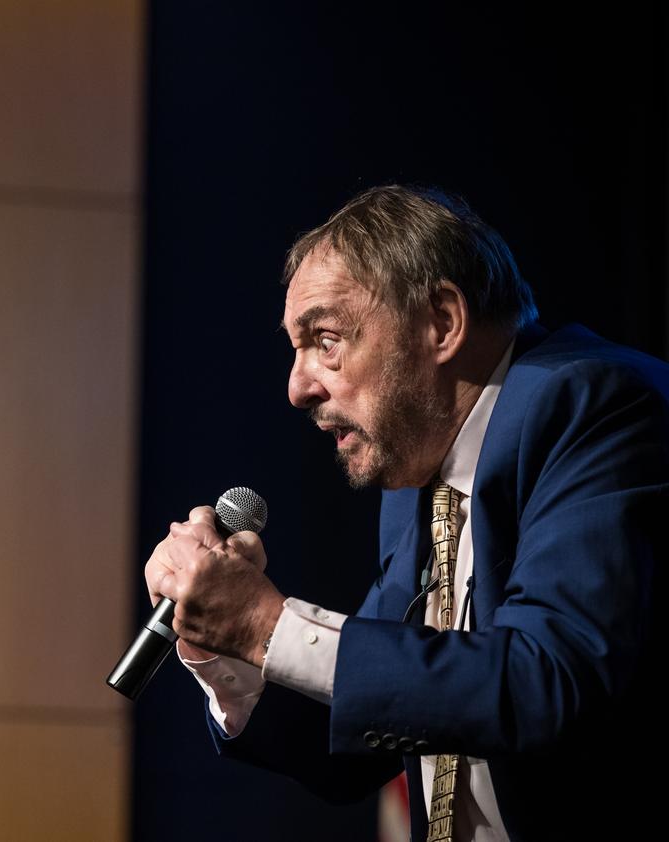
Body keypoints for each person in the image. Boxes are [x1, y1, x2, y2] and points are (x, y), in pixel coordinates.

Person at [145, 185, 669, 841]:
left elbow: (549, 680)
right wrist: (225, 650)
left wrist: (266, 623)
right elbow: (366, 737)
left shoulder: (595, 404)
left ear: (442, 323)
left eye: (325, 339)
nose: (296, 386)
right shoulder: (418, 469)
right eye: (295, 347)